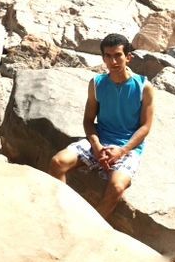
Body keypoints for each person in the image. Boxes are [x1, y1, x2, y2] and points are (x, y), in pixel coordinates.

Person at [49, 32, 155, 218]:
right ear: (103, 58)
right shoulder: (97, 84)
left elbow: (145, 127)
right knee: (58, 162)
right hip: (99, 139)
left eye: (117, 55)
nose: (113, 61)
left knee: (117, 186)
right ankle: (61, 214)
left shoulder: (143, 87)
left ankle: (92, 227)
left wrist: (122, 151)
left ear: (128, 57)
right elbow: (88, 121)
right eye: (108, 56)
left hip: (127, 147)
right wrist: (97, 146)